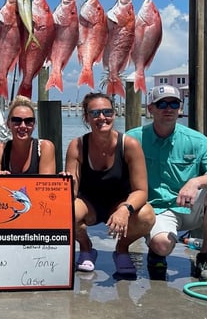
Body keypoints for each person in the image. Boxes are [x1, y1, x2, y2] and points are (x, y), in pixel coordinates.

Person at [127, 85, 207, 281]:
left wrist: (196, 181)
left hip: (189, 207)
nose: (168, 108)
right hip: (156, 210)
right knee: (162, 245)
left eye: (174, 103)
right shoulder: (132, 139)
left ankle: (206, 257)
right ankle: (156, 251)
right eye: (161, 103)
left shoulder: (197, 141)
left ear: (180, 108)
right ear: (150, 109)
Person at [64, 92, 154, 276]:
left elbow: (141, 191)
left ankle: (122, 249)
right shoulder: (77, 145)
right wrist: (66, 184)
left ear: (114, 114)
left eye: (107, 112)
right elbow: (71, 193)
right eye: (95, 113)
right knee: (65, 211)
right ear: (86, 117)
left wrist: (125, 210)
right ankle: (86, 247)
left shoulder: (129, 145)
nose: (102, 118)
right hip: (89, 204)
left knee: (146, 216)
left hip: (119, 203)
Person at [0, 95, 56, 175]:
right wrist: (0, 180)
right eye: (17, 120)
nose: (23, 126)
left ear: (34, 125)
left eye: (28, 121)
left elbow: (46, 185)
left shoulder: (44, 148)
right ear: (8, 124)